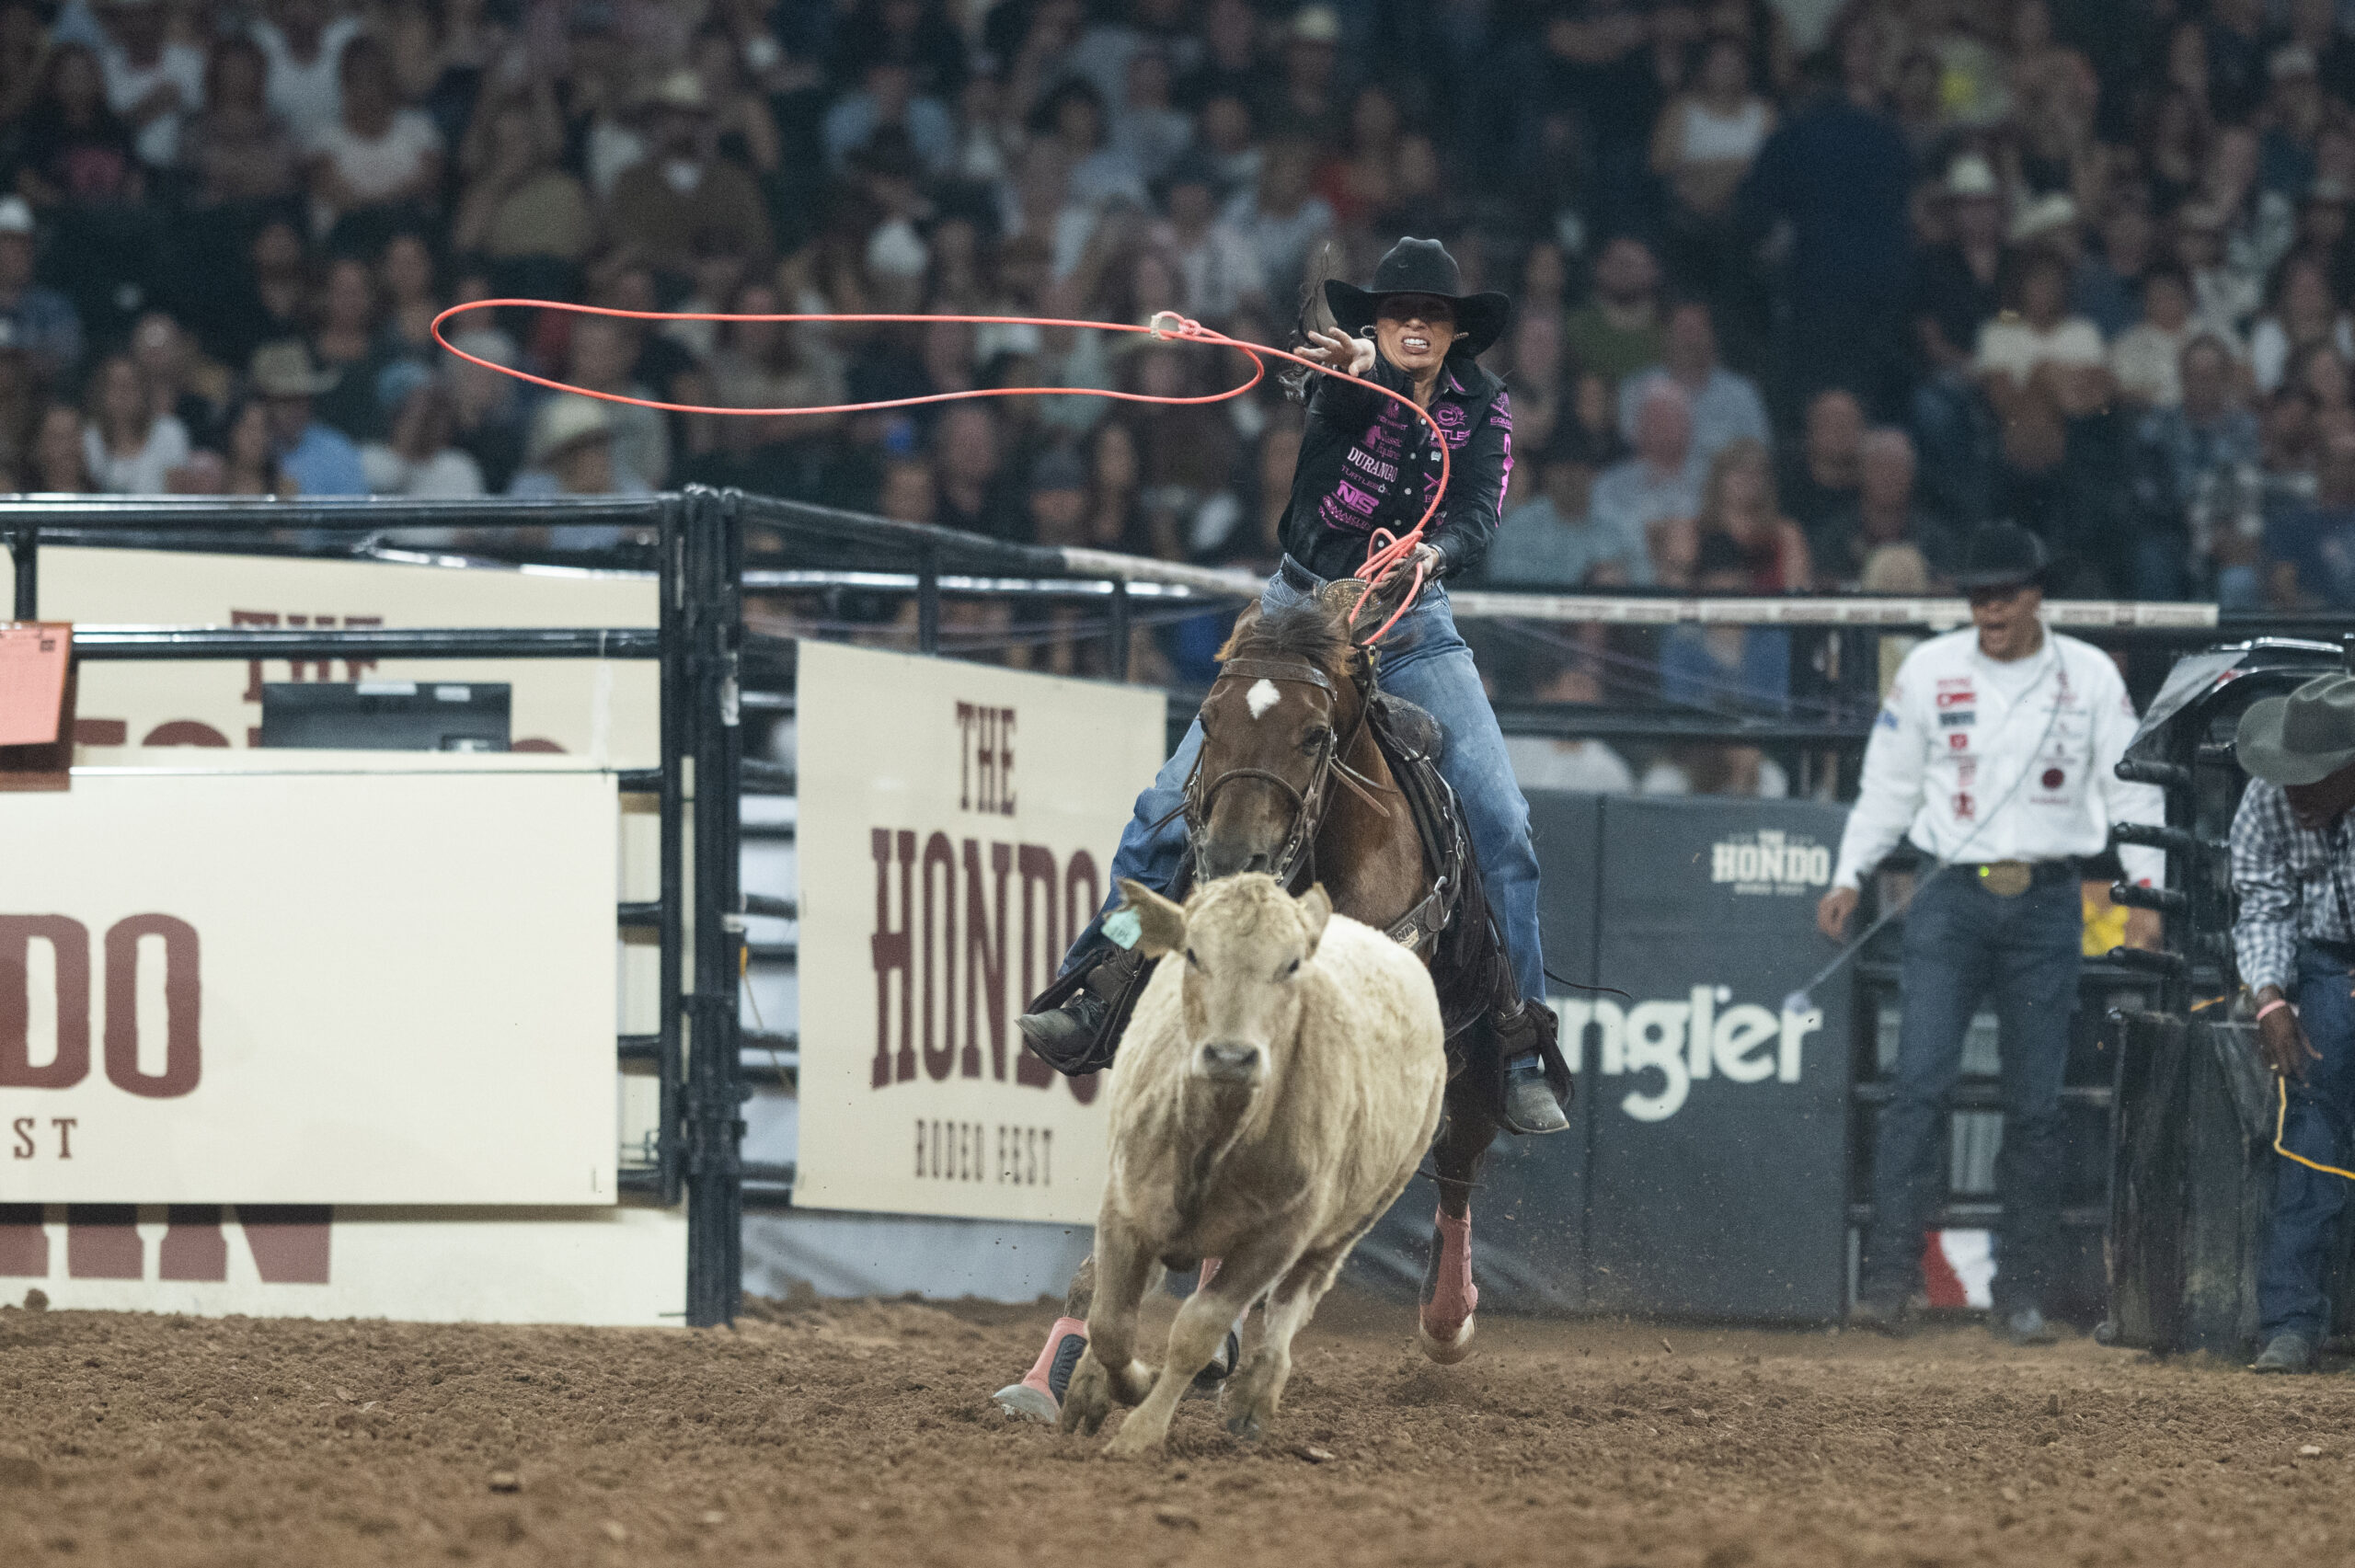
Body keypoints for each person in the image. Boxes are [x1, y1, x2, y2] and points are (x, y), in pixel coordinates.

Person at [1017, 237, 1566, 1137]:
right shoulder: (1347, 383)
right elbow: (1334, 411)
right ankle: (1101, 981)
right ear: (1376, 325)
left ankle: (1518, 1043)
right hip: (1298, 614)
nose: (1414, 324)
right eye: (1397, 312)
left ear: (1455, 330)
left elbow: (1476, 510)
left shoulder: (1485, 407)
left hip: (1411, 625)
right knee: (1164, 809)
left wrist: (1434, 555)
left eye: (1431, 313)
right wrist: (1354, 374)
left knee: (1504, 823)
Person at [1818, 524, 2165, 1345]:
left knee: (2035, 1103)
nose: (1990, 610)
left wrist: (2147, 889)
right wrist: (1849, 871)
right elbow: (1888, 782)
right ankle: (1891, 1281)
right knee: (1919, 1086)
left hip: (2046, 897)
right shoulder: (1932, 670)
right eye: (1979, 596)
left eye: (2004, 594)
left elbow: (2133, 791)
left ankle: (2022, 1292)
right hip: (1952, 893)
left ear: (2036, 595)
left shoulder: (2090, 677)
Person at [2230, 674, 2355, 1371]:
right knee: (2311, 1116)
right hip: (2325, 961)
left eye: (2315, 775)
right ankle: (2291, 1320)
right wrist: (2271, 999)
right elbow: (2263, 901)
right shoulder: (2269, 798)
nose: (2295, 789)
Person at [247, 338, 365, 496]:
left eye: (302, 399)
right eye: (285, 401)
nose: (296, 410)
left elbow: (355, 509)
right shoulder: (245, 452)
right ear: (264, 402)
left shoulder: (336, 452)